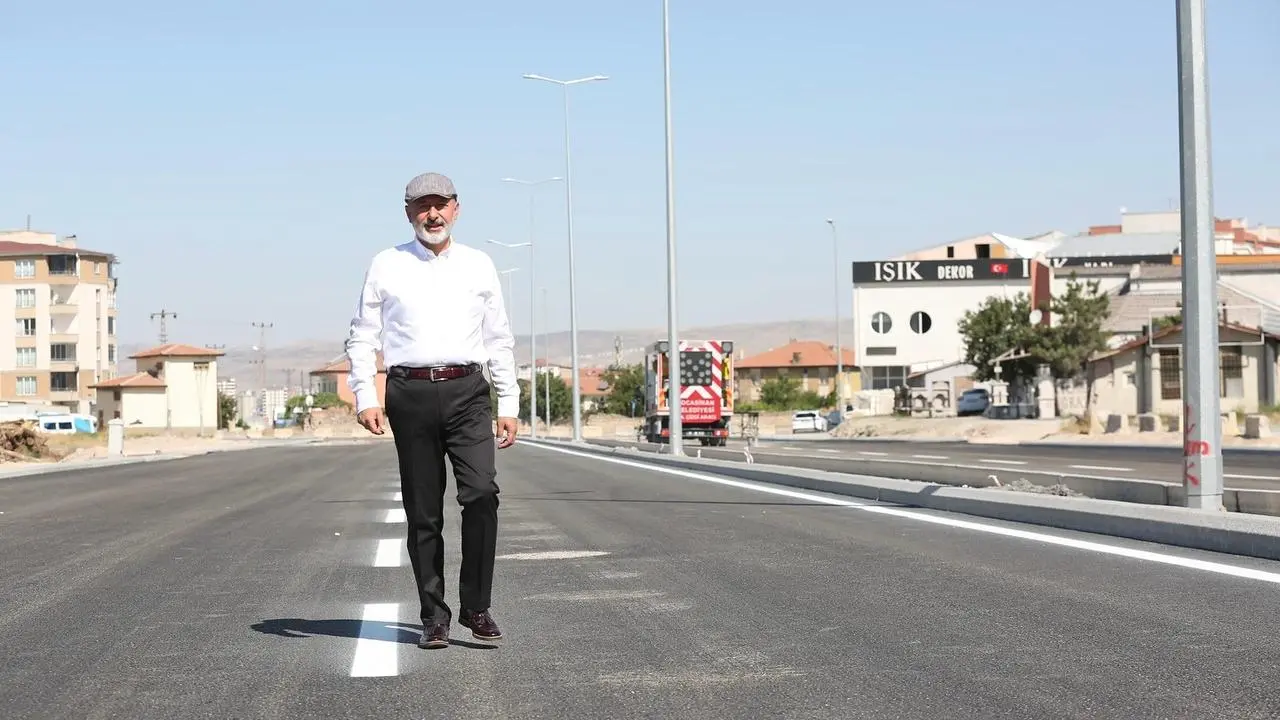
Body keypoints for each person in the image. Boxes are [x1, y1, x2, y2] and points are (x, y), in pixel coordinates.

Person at [344, 171, 520, 649]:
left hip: (468, 392)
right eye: (423, 206)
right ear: (408, 213)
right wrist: (366, 396)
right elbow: (362, 336)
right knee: (424, 512)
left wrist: (508, 400)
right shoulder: (386, 264)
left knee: (481, 493)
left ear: (456, 208)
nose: (433, 214)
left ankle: (476, 605)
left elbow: (498, 338)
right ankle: (433, 616)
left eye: (441, 204)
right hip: (410, 393)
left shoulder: (479, 265)